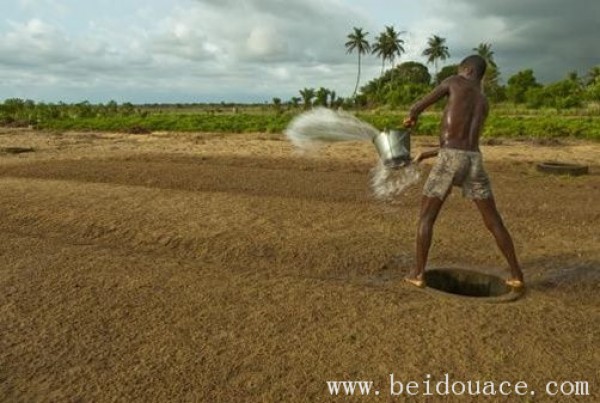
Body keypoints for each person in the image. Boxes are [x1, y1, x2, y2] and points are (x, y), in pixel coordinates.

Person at [403, 55, 524, 289]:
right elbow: (462, 143)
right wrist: (426, 154)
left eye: (460, 69)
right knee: (494, 220)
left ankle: (417, 273)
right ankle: (517, 274)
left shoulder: (454, 82)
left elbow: (418, 106)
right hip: (474, 160)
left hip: (450, 159)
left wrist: (411, 118)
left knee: (426, 217)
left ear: (467, 70)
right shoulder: (483, 101)